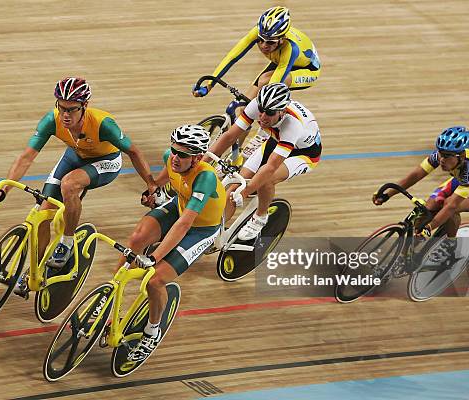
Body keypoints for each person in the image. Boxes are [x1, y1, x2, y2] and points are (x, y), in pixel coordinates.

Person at [0, 77, 156, 294]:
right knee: (43, 215)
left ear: (85, 106)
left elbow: (134, 151)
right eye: (61, 107)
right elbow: (26, 157)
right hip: (75, 157)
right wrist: (5, 189)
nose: (65, 115)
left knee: (69, 185)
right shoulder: (52, 119)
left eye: (72, 109)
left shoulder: (103, 124)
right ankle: (34, 272)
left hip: (105, 162)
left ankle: (67, 241)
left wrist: (151, 184)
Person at [123, 124, 226, 362]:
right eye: (174, 150)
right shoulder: (172, 158)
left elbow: (184, 225)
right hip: (179, 204)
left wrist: (155, 256)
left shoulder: (205, 178)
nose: (175, 157)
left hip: (201, 229)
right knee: (136, 239)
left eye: (183, 154)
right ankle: (112, 289)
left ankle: (152, 331)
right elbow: (163, 178)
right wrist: (152, 189)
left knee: (156, 279)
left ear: (198, 157)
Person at [193, 6, 321, 158]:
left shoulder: (290, 49)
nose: (264, 46)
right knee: (242, 108)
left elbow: (273, 87)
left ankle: (263, 134)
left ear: (282, 40)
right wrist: (210, 84)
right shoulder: (259, 32)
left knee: (266, 86)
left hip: (306, 69)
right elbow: (232, 57)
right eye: (260, 40)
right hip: (279, 61)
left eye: (270, 42)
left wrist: (263, 115)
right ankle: (235, 157)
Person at [203, 83, 321, 241]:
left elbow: (271, 167)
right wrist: (202, 163)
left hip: (304, 153)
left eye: (270, 113)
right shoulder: (257, 106)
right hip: (276, 141)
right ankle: (210, 233)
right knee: (233, 187)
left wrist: (245, 193)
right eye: (261, 110)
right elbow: (230, 136)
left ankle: (261, 216)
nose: (263, 117)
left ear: (282, 111)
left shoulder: (292, 125)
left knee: (266, 180)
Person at [373, 126, 469, 263]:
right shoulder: (440, 157)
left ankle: (450, 244)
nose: (441, 160)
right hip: (461, 180)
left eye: (446, 156)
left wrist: (429, 228)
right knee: (429, 207)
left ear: (461, 156)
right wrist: (387, 195)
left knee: (451, 207)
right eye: (440, 153)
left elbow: (451, 205)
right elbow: (415, 175)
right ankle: (404, 257)